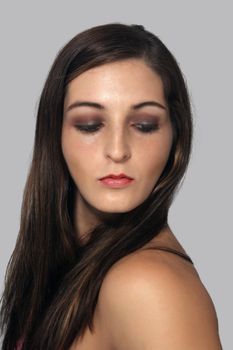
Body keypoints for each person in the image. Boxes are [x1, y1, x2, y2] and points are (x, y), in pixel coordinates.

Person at [0, 23, 222, 349]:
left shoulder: (151, 286)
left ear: (176, 139)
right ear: (55, 134)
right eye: (90, 125)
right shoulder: (66, 268)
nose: (117, 150)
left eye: (144, 125)